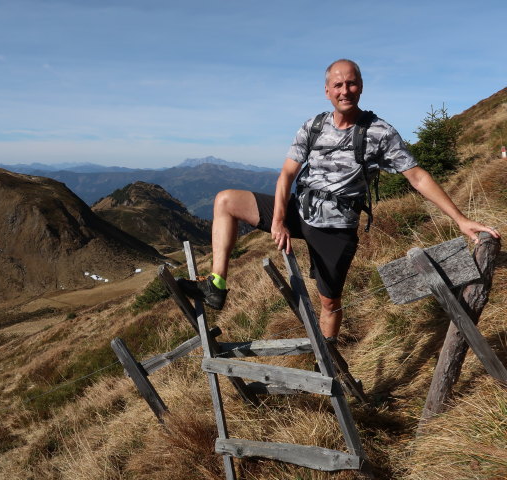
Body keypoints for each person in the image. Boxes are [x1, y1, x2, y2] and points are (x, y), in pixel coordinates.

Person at [178, 59, 500, 340]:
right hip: (299, 209)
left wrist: (460, 219)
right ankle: (216, 284)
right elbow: (286, 175)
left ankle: (328, 364)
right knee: (224, 201)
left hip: (336, 228)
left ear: (361, 87)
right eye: (338, 84)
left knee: (330, 303)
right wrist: (278, 219)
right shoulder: (314, 126)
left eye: (351, 83)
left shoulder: (380, 133)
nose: (344, 90)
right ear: (327, 91)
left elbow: (417, 177)